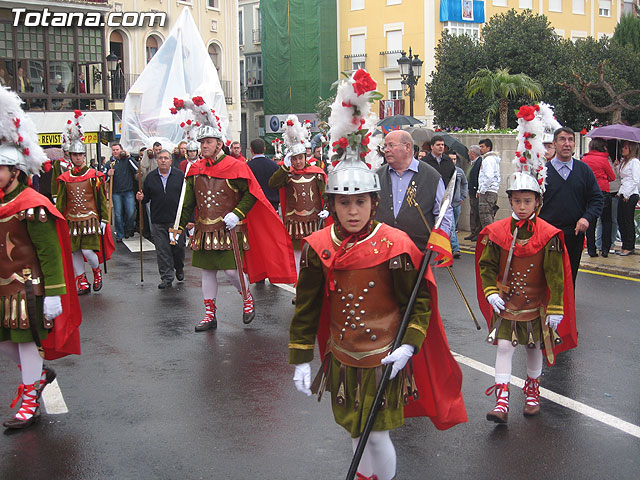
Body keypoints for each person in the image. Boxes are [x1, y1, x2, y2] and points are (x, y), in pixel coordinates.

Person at [289, 70, 466, 480]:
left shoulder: (397, 244)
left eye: (361, 202)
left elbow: (417, 302)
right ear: (332, 204)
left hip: (383, 357)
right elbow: (307, 305)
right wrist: (301, 356)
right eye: (344, 203)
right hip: (342, 356)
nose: (353, 211)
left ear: (374, 202)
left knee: (378, 435)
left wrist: (409, 345)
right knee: (355, 431)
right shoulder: (318, 246)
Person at [171, 96, 296, 331]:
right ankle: (210, 314)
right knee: (207, 272)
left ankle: (247, 298)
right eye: (202, 142)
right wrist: (179, 227)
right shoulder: (195, 169)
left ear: (219, 144)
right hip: (204, 229)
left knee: (231, 271)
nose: (203, 145)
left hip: (229, 228)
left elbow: (251, 194)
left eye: (208, 141)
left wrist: (237, 214)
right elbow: (187, 201)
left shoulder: (235, 167)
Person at [0, 86, 81, 429]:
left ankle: (30, 397)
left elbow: (49, 252)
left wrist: (54, 294)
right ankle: (38, 375)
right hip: (3, 289)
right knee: (8, 346)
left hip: (26, 290)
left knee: (25, 343)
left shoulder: (32, 204)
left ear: (14, 171)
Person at [56, 112, 113, 295]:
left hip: (90, 220)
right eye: (75, 155)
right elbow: (61, 201)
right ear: (71, 156)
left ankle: (96, 272)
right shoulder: (65, 178)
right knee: (74, 253)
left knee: (88, 252)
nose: (78, 158)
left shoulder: (94, 176)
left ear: (83, 156)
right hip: (71, 221)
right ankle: (81, 281)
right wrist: (58, 219)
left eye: (80, 155)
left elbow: (101, 199)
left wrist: (104, 220)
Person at [539, 127, 603, 286]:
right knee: (547, 278)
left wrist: (586, 218)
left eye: (570, 140)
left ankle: (566, 309)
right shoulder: (542, 172)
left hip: (574, 235)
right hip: (548, 235)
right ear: (554, 143)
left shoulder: (584, 170)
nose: (567, 144)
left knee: (569, 278)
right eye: (562, 139)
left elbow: (597, 199)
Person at [268, 115, 328, 280]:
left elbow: (325, 195)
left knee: (316, 253)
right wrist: (285, 168)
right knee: (297, 255)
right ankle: (300, 287)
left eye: (300, 158)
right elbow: (272, 184)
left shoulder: (316, 173)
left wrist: (327, 210)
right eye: (294, 159)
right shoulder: (287, 174)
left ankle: (316, 286)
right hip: (294, 221)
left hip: (314, 219)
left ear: (305, 157)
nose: (298, 161)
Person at [375, 129, 453, 252]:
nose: (386, 150)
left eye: (391, 145)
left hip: (420, 252)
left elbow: (443, 214)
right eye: (385, 146)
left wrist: (438, 245)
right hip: (382, 250)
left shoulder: (431, 176)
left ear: (407, 147)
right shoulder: (377, 176)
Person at [136, 150, 186, 289]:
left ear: (171, 161)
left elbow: (187, 198)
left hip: (176, 220)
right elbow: (146, 198)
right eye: (160, 158)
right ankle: (166, 277)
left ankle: (179, 267)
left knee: (178, 248)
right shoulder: (151, 177)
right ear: (157, 161)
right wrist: (141, 197)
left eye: (166, 158)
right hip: (158, 220)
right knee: (162, 250)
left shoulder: (180, 176)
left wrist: (190, 219)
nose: (163, 160)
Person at [581, 138, 616, 257]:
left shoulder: (584, 159)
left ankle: (591, 249)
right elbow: (612, 177)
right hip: (603, 192)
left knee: (590, 221)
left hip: (588, 192)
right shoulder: (603, 160)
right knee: (606, 221)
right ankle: (605, 249)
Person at [104, 143, 138, 242]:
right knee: (118, 214)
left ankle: (128, 229)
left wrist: (129, 157)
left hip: (128, 191)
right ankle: (120, 233)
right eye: (113, 150)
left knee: (130, 212)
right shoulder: (109, 163)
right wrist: (108, 175)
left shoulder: (127, 161)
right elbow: (104, 178)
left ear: (121, 150)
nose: (115, 151)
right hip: (116, 192)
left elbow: (137, 169)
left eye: (117, 149)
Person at [615, 141, 640, 256]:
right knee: (620, 219)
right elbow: (621, 177)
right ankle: (624, 244)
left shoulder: (634, 162)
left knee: (628, 220)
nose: (623, 150)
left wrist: (627, 194)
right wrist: (616, 166)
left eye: (625, 148)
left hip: (631, 194)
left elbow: (636, 180)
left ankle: (629, 246)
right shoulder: (624, 162)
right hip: (623, 192)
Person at [247, 138, 280, 211]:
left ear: (251, 150)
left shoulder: (247, 167)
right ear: (264, 149)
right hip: (272, 205)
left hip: (254, 206)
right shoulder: (274, 166)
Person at [477, 138, 501, 228]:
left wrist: (482, 190)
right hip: (491, 190)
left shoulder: (488, 160)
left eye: (482, 146)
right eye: (480, 147)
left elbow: (488, 176)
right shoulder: (492, 159)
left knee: (485, 217)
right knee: (489, 215)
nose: (480, 149)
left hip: (487, 191)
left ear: (488, 148)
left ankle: (489, 239)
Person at [449, 151, 468, 259]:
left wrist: (463, 197)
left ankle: (450, 245)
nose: (453, 161)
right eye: (451, 159)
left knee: (454, 227)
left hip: (457, 203)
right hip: (448, 204)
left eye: (455, 159)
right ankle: (455, 248)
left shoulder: (460, 172)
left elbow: (465, 183)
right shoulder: (446, 170)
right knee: (451, 227)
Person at [465, 145, 482, 241]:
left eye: (469, 152)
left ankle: (477, 232)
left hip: (476, 191)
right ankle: (473, 232)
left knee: (476, 212)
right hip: (471, 191)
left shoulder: (479, 163)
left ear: (472, 153)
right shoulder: (472, 163)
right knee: (472, 212)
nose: (468, 154)